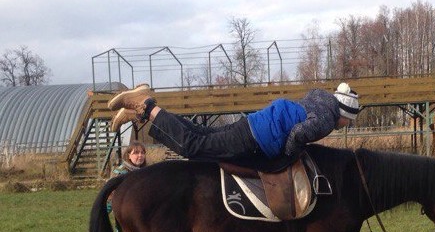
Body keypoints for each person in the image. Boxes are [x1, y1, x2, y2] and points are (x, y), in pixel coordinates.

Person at [107, 82, 360, 161]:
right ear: (344, 116)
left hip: (256, 123)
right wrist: (289, 155)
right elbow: (297, 134)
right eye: (349, 121)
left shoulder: (319, 98)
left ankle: (140, 112)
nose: (347, 126)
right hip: (257, 137)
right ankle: (146, 103)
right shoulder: (327, 121)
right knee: (194, 147)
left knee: (201, 133)